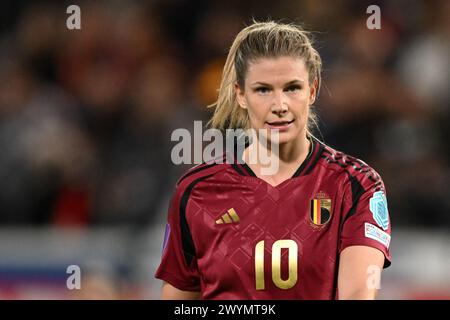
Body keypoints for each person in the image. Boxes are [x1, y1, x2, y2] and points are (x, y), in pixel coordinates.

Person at [154, 20, 391, 299]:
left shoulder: (355, 185)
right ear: (240, 94)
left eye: (292, 88)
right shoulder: (197, 191)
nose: (280, 106)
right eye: (263, 90)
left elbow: (357, 295)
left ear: (312, 90)